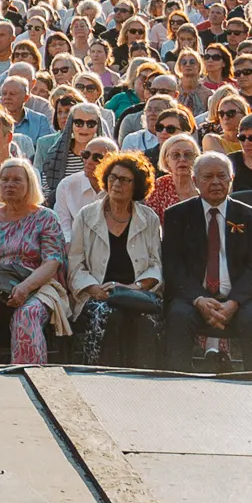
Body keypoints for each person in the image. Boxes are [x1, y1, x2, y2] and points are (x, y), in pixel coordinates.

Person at [0, 153, 69, 365]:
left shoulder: (45, 217)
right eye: (5, 180)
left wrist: (25, 287)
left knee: (26, 316)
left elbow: (52, 261)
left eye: (17, 180)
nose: (9, 184)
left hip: (36, 284)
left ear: (30, 184)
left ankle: (30, 375)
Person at [162, 149, 252, 369]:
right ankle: (174, 385)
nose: (215, 182)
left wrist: (234, 302)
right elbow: (173, 266)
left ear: (232, 179)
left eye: (222, 176)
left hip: (238, 298)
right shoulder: (177, 215)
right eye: (207, 177)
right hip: (193, 298)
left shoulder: (251, 217)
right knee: (178, 317)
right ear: (195, 181)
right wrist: (199, 300)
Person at [66, 150, 166, 368]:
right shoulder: (86, 215)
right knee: (110, 316)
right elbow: (75, 263)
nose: (117, 184)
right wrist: (94, 289)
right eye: (112, 177)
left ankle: (145, 380)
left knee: (144, 321)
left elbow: (155, 265)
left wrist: (133, 287)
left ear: (137, 185)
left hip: (136, 294)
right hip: (97, 295)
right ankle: (100, 375)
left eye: (124, 179)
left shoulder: (149, 218)